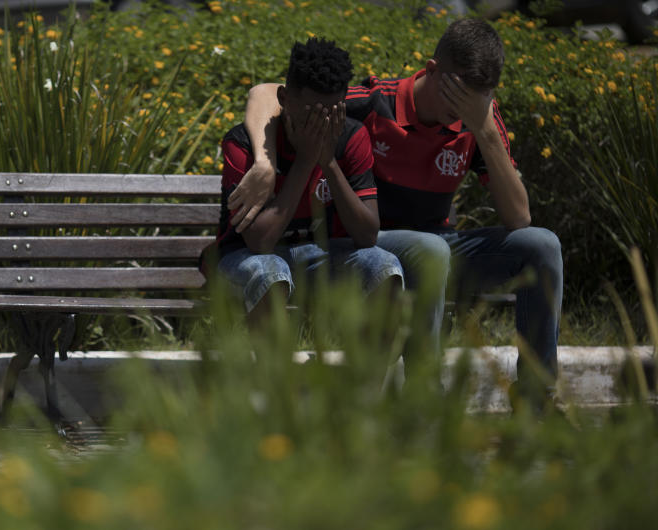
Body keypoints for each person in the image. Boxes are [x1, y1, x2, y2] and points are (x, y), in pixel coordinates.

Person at [231, 18, 563, 409]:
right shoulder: (378, 101)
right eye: (455, 97)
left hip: (436, 248)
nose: (460, 113)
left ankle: (538, 402)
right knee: (430, 249)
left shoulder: (478, 120)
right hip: (372, 250)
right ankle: (424, 396)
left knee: (542, 244)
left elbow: (518, 219)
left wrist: (485, 131)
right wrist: (264, 164)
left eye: (475, 101)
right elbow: (267, 93)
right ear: (432, 70)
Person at [213, 36, 403, 327]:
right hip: (243, 260)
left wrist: (327, 162)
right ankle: (271, 372)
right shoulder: (244, 144)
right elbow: (259, 242)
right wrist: (305, 160)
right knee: (270, 273)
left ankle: (368, 372)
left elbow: (367, 236)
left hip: (317, 257)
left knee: (384, 266)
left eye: (332, 112)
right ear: (285, 99)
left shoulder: (351, 137)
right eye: (311, 113)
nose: (321, 123)